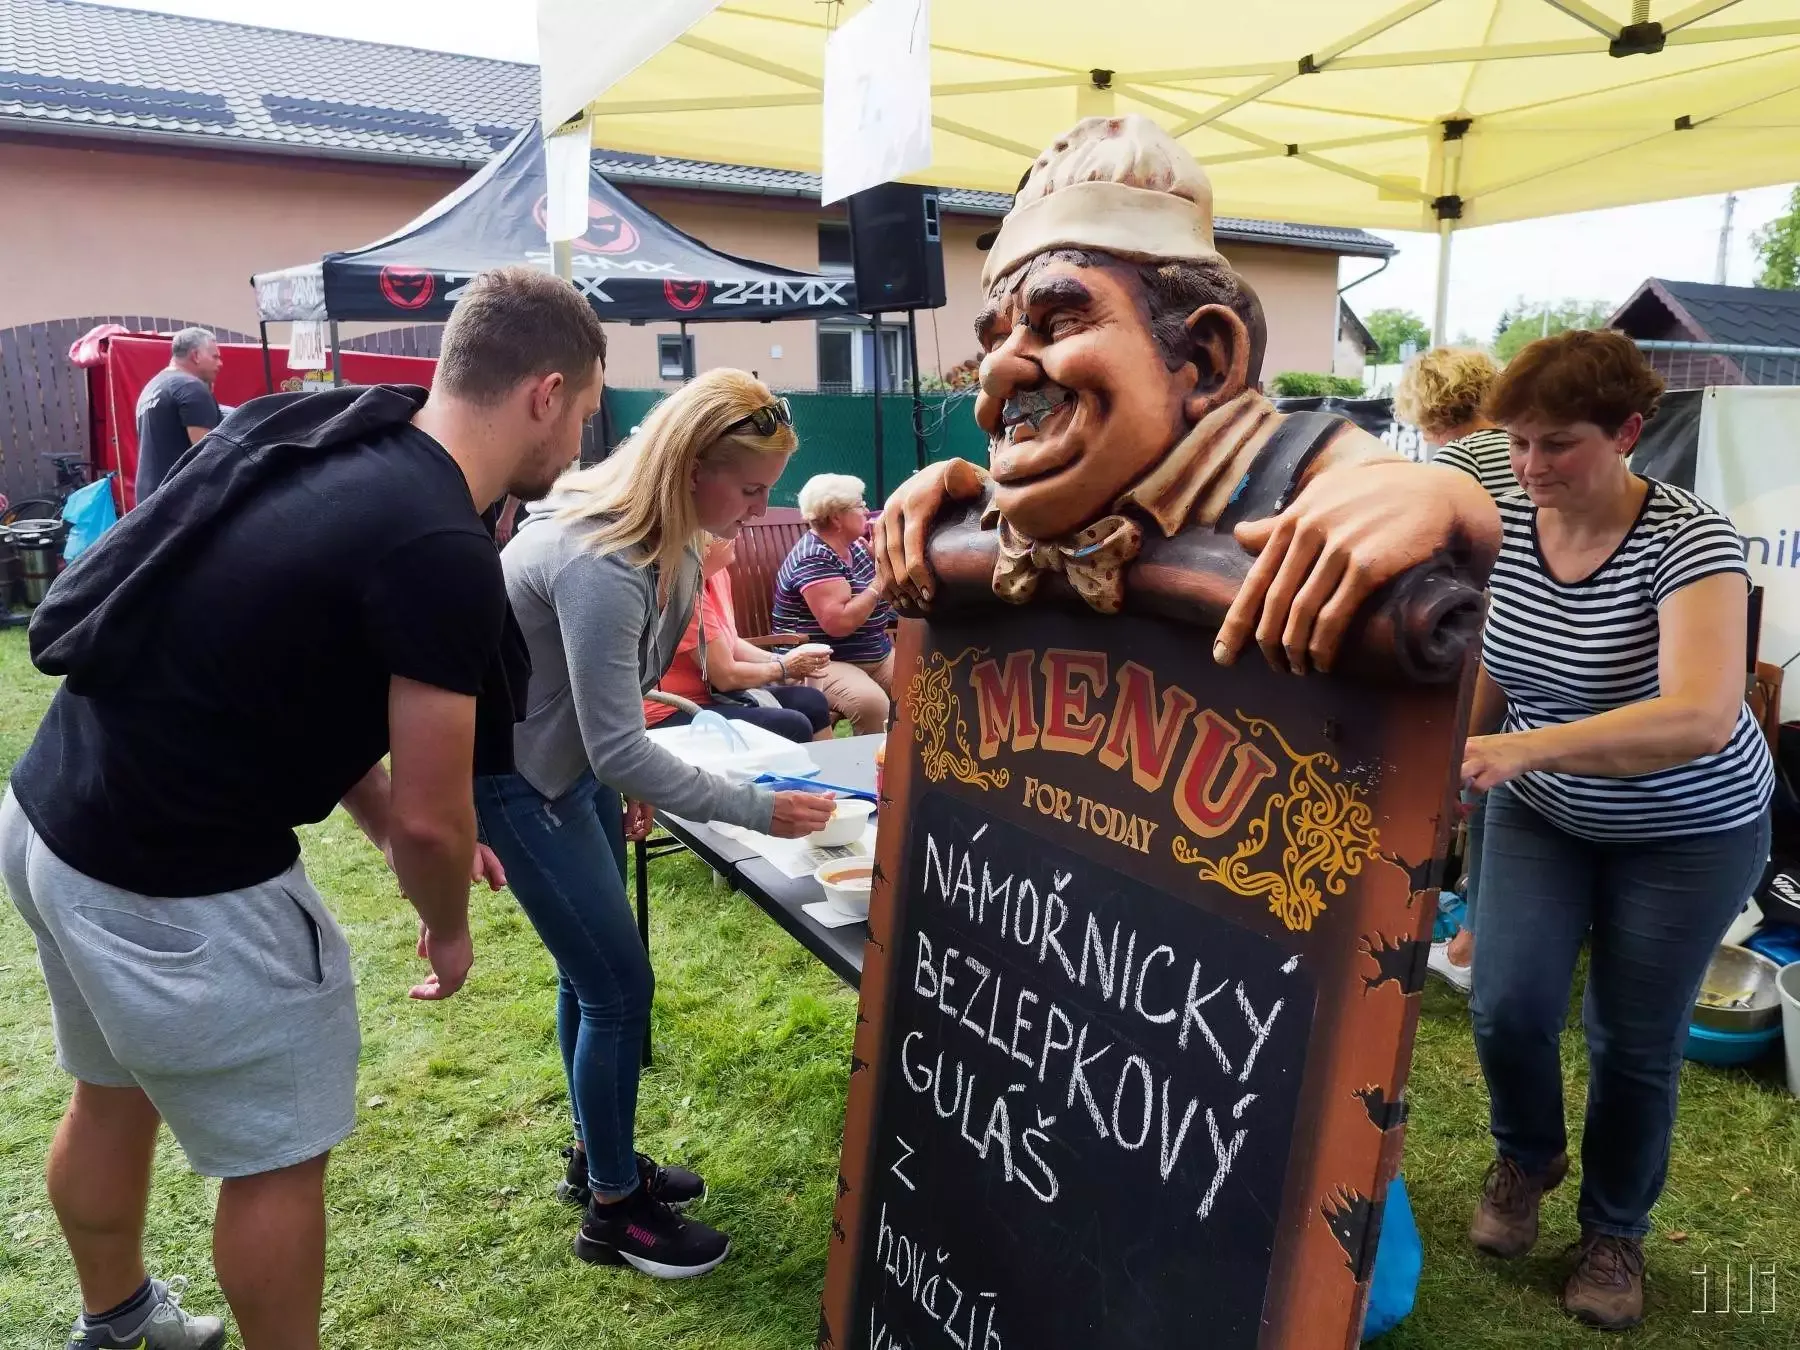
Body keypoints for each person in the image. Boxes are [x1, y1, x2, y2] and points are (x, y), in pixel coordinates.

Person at [0, 266, 602, 1350]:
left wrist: (384, 824)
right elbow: (436, 820)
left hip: (53, 816)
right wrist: (448, 925)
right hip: (176, 882)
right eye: (586, 412)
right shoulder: (442, 546)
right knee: (277, 1161)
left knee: (110, 1091)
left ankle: (118, 1320)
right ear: (545, 393)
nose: (578, 441)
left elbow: (281, 678)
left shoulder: (328, 435)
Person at [872, 116, 1501, 677]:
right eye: (995, 340)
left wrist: (1436, 499)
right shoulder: (1078, 477)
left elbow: (1410, 492)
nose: (996, 371)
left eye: (1060, 322)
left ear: (1204, 360)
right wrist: (964, 495)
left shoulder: (1288, 459)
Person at [475, 369, 835, 1281]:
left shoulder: (670, 543)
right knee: (617, 987)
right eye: (749, 490)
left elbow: (617, 707)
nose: (760, 510)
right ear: (690, 469)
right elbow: (614, 744)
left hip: (571, 768)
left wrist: (625, 771)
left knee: (592, 975)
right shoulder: (602, 559)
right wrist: (759, 808)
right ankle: (613, 1213)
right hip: (519, 784)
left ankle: (595, 1158)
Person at [1459, 329, 1772, 1331]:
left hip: (1690, 828)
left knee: (1632, 1042)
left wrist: (1523, 749)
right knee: (1506, 1004)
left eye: (1559, 444)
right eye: (1518, 443)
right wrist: (1458, 760)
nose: (1531, 467)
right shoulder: (1507, 523)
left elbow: (1701, 716)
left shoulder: (1690, 539)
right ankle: (1527, 1156)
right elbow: (1496, 661)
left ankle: (1613, 1233)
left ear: (1629, 432)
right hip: (1545, 809)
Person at [1395, 345, 1511, 994]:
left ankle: (1469, 946)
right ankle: (1478, 932)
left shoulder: (1453, 465)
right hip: (1541, 646)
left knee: (1480, 787)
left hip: (1486, 646)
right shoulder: (1519, 449)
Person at [645, 533, 836, 743]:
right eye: (726, 531)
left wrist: (781, 661)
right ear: (703, 543)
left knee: (811, 702)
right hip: (671, 708)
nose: (736, 535)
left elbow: (731, 641)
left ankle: (830, 764)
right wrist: (783, 669)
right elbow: (726, 677)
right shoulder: (682, 589)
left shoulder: (717, 575)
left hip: (712, 696)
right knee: (792, 725)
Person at [772, 472, 897, 734]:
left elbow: (889, 603)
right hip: (822, 663)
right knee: (872, 705)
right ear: (837, 517)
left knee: (926, 684)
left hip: (875, 654)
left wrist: (882, 561)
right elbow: (840, 623)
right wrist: (879, 581)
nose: (866, 510)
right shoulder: (814, 558)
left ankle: (921, 756)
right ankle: (877, 760)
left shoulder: (857, 548)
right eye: (859, 505)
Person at [134, 327, 223, 503]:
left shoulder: (152, 388)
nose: (220, 363)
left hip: (148, 501)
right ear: (196, 355)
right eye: (215, 357)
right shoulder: (191, 387)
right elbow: (208, 456)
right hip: (179, 502)